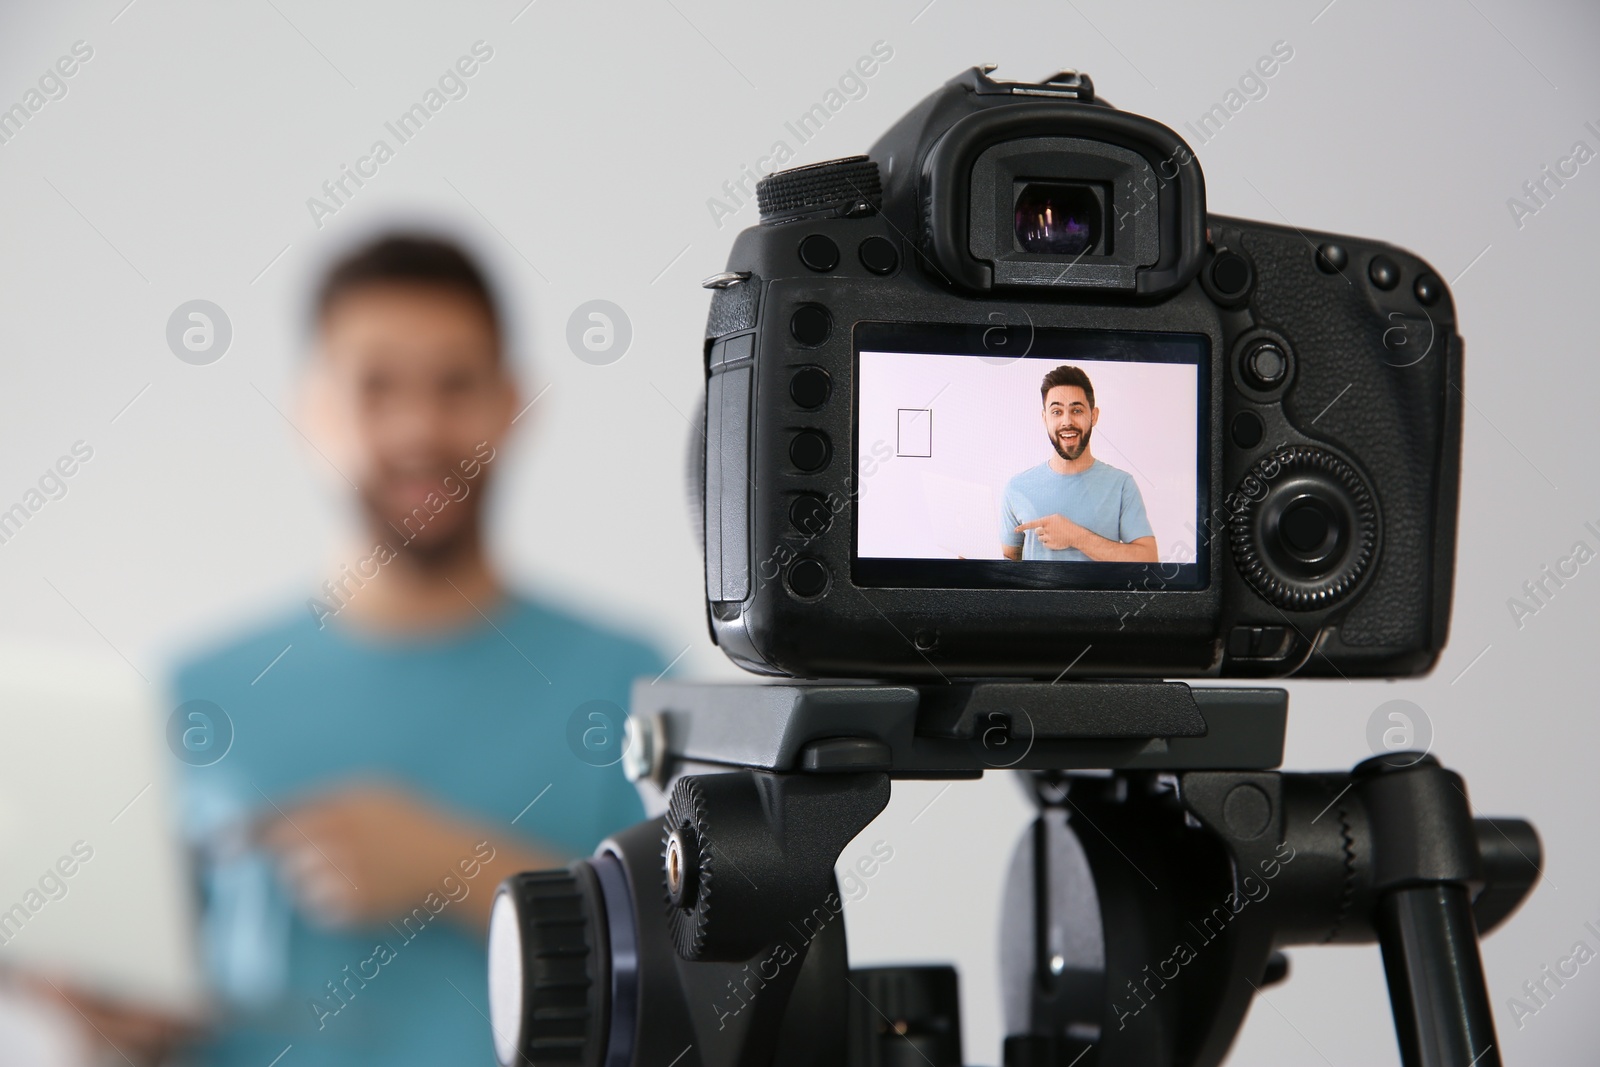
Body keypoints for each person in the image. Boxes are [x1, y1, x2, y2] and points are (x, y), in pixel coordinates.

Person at [61, 234, 666, 1066]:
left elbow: (689, 973)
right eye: (374, 385)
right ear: (310, 411)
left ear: (512, 402)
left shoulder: (625, 677)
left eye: (455, 384)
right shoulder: (189, 694)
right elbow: (154, 1023)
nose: (418, 427)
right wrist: (110, 1027)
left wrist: (454, 866)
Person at [999, 364, 1158, 562]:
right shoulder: (1016, 488)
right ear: (1044, 418)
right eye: (1056, 411)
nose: (1067, 421)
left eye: (1076, 410)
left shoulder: (1122, 485)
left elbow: (1148, 559)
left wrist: (1076, 536)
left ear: (1094, 416)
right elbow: (1010, 563)